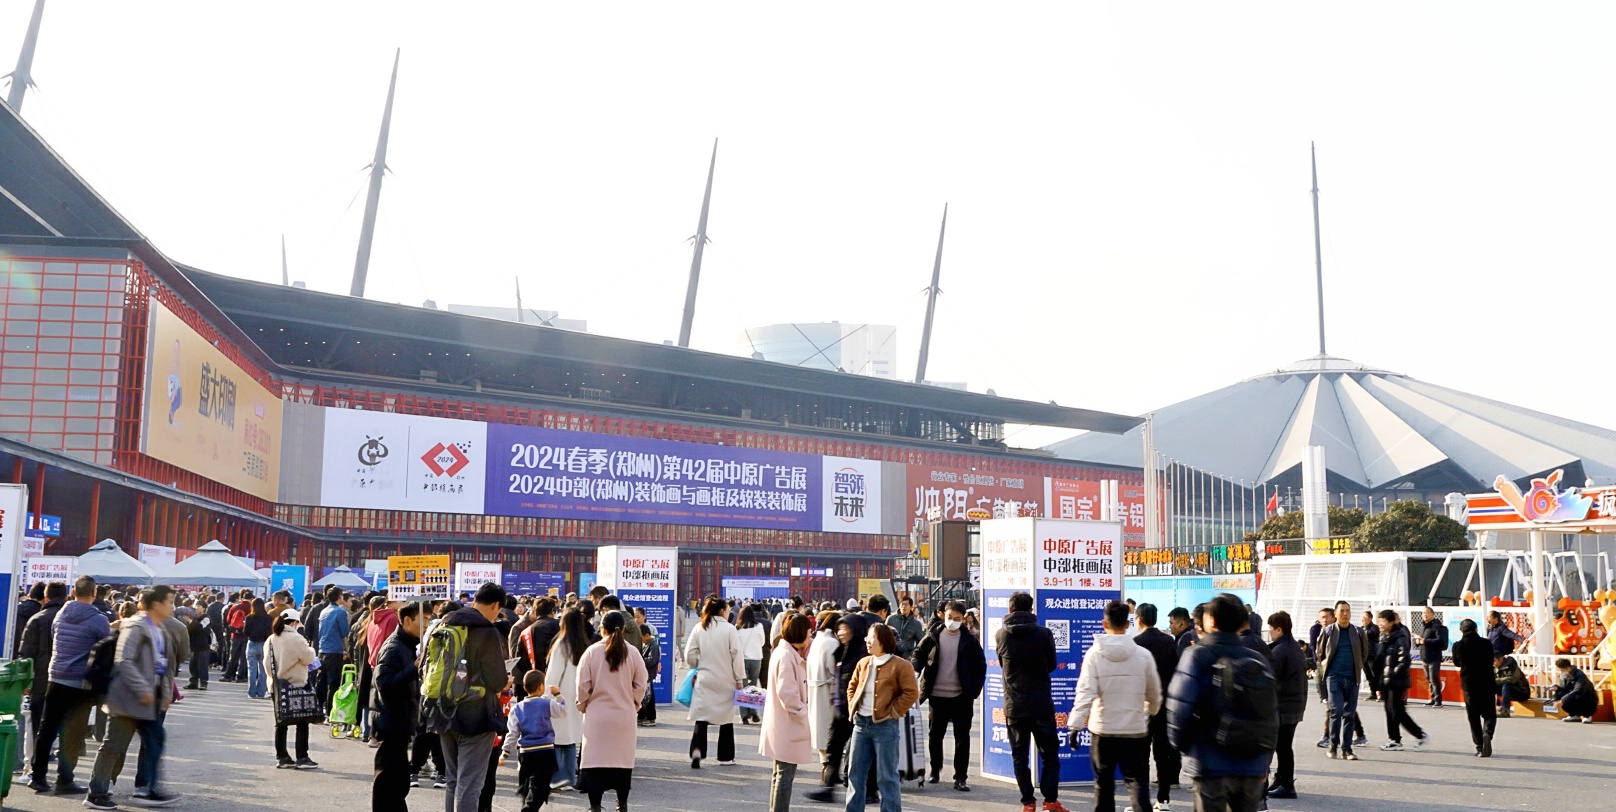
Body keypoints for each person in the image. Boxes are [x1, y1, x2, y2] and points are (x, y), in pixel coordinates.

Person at [1166, 593, 1276, 812]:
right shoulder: (1257, 658)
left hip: (1210, 763)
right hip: (1251, 763)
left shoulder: (1197, 655)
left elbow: (1179, 709)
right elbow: (1271, 714)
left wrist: (1185, 748)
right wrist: (1264, 760)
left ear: (1212, 620)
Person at [82, 585, 180, 810]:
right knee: (113, 745)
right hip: (127, 698)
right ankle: (96, 793)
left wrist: (165, 692)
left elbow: (164, 665)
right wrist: (143, 689)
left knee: (155, 741)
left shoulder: (160, 628)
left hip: (149, 700)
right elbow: (124, 661)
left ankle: (147, 789)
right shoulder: (136, 626)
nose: (172, 607)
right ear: (156, 604)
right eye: (169, 602)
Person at [1068, 600, 1160, 812]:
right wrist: (1150, 712)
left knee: (1103, 785)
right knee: (1137, 784)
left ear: (1104, 623)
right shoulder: (1143, 655)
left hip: (1104, 730)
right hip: (1134, 730)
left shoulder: (1094, 655)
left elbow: (1085, 693)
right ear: (1128, 624)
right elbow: (1154, 692)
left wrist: (1075, 725)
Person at [29, 574, 110, 796]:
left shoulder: (60, 615)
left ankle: (37, 776)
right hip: (80, 681)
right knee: (72, 733)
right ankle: (64, 779)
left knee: (46, 729)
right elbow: (105, 647)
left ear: (73, 592)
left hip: (55, 676)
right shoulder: (99, 620)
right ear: (94, 593)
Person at [438, 583, 512, 812]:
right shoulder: (486, 631)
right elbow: (496, 680)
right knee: (470, 784)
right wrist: (506, 681)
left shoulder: (446, 623)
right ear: (496, 605)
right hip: (476, 715)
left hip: (444, 710)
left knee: (453, 780)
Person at [996, 591, 1065, 812]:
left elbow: (1002, 664)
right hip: (1041, 703)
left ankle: (1028, 802)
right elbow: (1051, 665)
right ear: (1031, 609)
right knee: (1049, 755)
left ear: (1010, 609)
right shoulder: (1044, 634)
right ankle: (1050, 801)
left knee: (1019, 756)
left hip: (1015, 705)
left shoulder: (1001, 635)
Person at [573, 609, 648, 812]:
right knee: (622, 765)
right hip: (624, 716)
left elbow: (582, 686)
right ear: (623, 629)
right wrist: (634, 703)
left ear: (602, 628)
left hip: (597, 716)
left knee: (595, 764)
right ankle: (621, 804)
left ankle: (595, 806)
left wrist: (583, 705)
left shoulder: (591, 652)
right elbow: (641, 684)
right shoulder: (633, 653)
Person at [842, 622, 919, 812]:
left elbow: (911, 692)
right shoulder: (864, 663)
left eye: (872, 638)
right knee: (855, 774)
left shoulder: (901, 665)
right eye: (867, 638)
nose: (868, 642)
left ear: (883, 640)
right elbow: (852, 686)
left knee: (887, 776)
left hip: (885, 726)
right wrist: (853, 706)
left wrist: (894, 712)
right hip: (861, 724)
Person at [912, 599, 984, 792]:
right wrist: (916, 668)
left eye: (957, 618)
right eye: (950, 617)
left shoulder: (970, 640)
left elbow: (980, 666)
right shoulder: (933, 635)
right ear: (944, 615)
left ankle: (960, 777)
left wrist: (974, 690)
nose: (953, 621)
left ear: (963, 619)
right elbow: (918, 654)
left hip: (961, 696)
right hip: (937, 695)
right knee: (935, 735)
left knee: (962, 737)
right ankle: (935, 770)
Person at [760, 613, 817, 812]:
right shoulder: (786, 656)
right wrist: (804, 713)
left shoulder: (784, 652)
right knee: (784, 776)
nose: (810, 637)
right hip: (788, 724)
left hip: (782, 724)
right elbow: (787, 694)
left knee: (780, 774)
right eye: (808, 633)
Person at [684, 596, 745, 768]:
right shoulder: (730, 629)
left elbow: (689, 654)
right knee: (726, 721)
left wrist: (697, 664)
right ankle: (725, 757)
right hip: (726, 680)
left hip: (705, 678)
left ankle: (697, 751)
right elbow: (737, 655)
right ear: (722, 611)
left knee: (701, 718)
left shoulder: (699, 627)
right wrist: (739, 679)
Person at [371, 601, 422, 810]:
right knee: (387, 781)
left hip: (399, 721)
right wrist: (413, 669)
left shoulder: (407, 645)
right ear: (407, 620)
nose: (427, 625)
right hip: (390, 721)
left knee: (398, 781)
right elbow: (384, 683)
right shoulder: (394, 647)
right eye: (424, 620)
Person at [1133, 603, 1181, 811]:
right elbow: (1176, 671)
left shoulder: (1136, 643)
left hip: (1143, 705)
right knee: (1163, 753)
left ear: (1139, 619)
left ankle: (1141, 800)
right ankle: (1163, 799)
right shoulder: (1169, 641)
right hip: (1165, 704)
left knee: (1141, 754)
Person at [264, 610, 320, 769]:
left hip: (277, 686)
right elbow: (308, 658)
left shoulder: (271, 639)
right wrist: (311, 649)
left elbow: (266, 664)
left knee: (281, 721)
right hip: (297, 685)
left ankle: (282, 757)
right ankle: (302, 757)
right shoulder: (297, 638)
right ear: (294, 623)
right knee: (302, 721)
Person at [506, 670, 568, 812]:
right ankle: (529, 809)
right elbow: (563, 711)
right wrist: (558, 694)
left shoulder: (517, 708)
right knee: (540, 785)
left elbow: (513, 732)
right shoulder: (547, 703)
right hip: (545, 750)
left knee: (526, 783)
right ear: (541, 687)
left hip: (525, 752)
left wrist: (505, 751)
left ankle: (526, 806)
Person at [544, 607, 592, 791]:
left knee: (556, 739)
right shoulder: (585, 645)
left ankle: (558, 778)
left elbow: (553, 676)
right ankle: (570, 777)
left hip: (560, 696)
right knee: (571, 739)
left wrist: (546, 697)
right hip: (577, 698)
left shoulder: (561, 645)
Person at [1315, 600, 1367, 760]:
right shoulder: (1328, 631)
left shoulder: (1358, 632)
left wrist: (1357, 667)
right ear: (1335, 614)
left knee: (1350, 713)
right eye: (1342, 611)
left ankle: (1347, 749)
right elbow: (1320, 653)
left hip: (1352, 677)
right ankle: (1333, 745)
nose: (1345, 614)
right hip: (1334, 677)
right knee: (1336, 711)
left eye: (1347, 611)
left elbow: (1364, 653)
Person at [18, 580, 66, 748]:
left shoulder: (37, 619)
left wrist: (26, 683)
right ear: (66, 597)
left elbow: (26, 654)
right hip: (68, 681)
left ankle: (38, 759)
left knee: (38, 725)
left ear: (46, 598)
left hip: (40, 681)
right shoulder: (74, 620)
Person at [1264, 611, 1306, 800]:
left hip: (1284, 705)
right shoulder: (1293, 647)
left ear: (1279, 629)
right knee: (1284, 746)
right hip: (1294, 704)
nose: (1270, 632)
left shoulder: (1280, 651)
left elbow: (1272, 679)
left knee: (1283, 747)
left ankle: (1287, 784)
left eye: (1271, 628)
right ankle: (1281, 779)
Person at [1374, 609, 1428, 752]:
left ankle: (1416, 735)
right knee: (1390, 710)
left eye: (1383, 621)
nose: (1380, 624)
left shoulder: (1400, 637)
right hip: (1386, 680)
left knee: (1397, 711)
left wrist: (1393, 674)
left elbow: (1404, 660)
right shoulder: (1384, 637)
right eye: (1379, 621)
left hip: (1397, 681)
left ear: (1392, 622)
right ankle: (1395, 739)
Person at [1449, 618, 1496, 757]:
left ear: (1461, 631)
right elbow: (1491, 659)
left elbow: (1457, 663)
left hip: (1469, 685)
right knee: (1489, 714)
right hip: (1487, 683)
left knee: (1473, 716)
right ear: (1476, 629)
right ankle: (1487, 732)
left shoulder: (1458, 646)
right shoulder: (1486, 643)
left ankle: (1480, 746)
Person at [805, 610, 842, 783]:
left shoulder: (817, 641)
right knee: (830, 732)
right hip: (828, 690)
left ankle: (825, 767)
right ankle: (829, 771)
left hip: (815, 689)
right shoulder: (832, 643)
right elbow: (834, 669)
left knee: (820, 731)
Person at [516, 598, 561, 701]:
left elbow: (520, 661)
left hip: (535, 685)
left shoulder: (526, 633)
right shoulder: (561, 627)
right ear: (552, 611)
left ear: (535, 612)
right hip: (559, 682)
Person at [317, 587, 350, 714]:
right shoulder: (340, 612)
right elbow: (345, 632)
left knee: (321, 680)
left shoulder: (324, 611)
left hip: (322, 650)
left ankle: (318, 708)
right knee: (333, 683)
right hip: (334, 651)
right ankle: (330, 711)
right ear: (340, 596)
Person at [737, 604, 767, 724]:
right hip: (756, 658)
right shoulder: (759, 626)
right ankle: (754, 712)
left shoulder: (738, 628)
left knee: (743, 687)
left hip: (742, 659)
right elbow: (762, 642)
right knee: (753, 686)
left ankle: (744, 716)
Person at [1551, 657, 1598, 723]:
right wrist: (1557, 689)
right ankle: (1573, 714)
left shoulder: (1580, 675)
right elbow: (1564, 690)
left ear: (1567, 668)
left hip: (1586, 697)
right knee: (1560, 694)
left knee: (1581, 696)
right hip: (1574, 697)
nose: (1561, 672)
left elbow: (1578, 690)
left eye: (1562, 670)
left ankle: (1587, 715)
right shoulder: (1563, 676)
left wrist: (1562, 700)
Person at [244, 598, 273, 700]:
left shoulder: (249, 617)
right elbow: (270, 632)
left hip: (252, 643)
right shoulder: (269, 618)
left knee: (251, 670)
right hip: (264, 644)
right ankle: (261, 692)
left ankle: (251, 693)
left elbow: (245, 631)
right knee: (263, 670)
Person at [1419, 607, 1448, 707]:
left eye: (1427, 613)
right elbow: (1422, 640)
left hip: (1434, 657)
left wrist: (1425, 641)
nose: (1425, 615)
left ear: (1432, 614)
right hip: (1424, 656)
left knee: (1434, 679)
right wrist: (1418, 642)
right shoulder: (1423, 626)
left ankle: (1438, 700)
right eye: (1423, 613)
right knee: (1429, 679)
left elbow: (1440, 641)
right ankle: (1432, 698)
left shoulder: (1437, 626)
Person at [885, 596, 924, 661]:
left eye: (906, 604)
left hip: (906, 657)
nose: (903, 606)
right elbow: (883, 635)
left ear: (911, 607)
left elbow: (921, 642)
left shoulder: (916, 624)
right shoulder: (891, 619)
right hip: (890, 655)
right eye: (902, 604)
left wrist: (912, 655)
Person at [1493, 652, 1528, 718]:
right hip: (1506, 691)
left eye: (1494, 661)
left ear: (1500, 659)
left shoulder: (1511, 665)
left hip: (1521, 692)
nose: (1493, 664)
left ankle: (1505, 711)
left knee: (1506, 685)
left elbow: (1511, 679)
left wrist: (1495, 681)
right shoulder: (1494, 667)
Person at [1358, 611, 1382, 702]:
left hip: (1373, 654)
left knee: (1375, 674)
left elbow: (1368, 635)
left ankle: (1381, 693)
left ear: (1370, 618)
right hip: (1364, 655)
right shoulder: (1361, 628)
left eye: (1365, 617)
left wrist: (1361, 632)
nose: (1363, 619)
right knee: (1368, 675)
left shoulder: (1374, 628)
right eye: (1362, 617)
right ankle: (1373, 693)